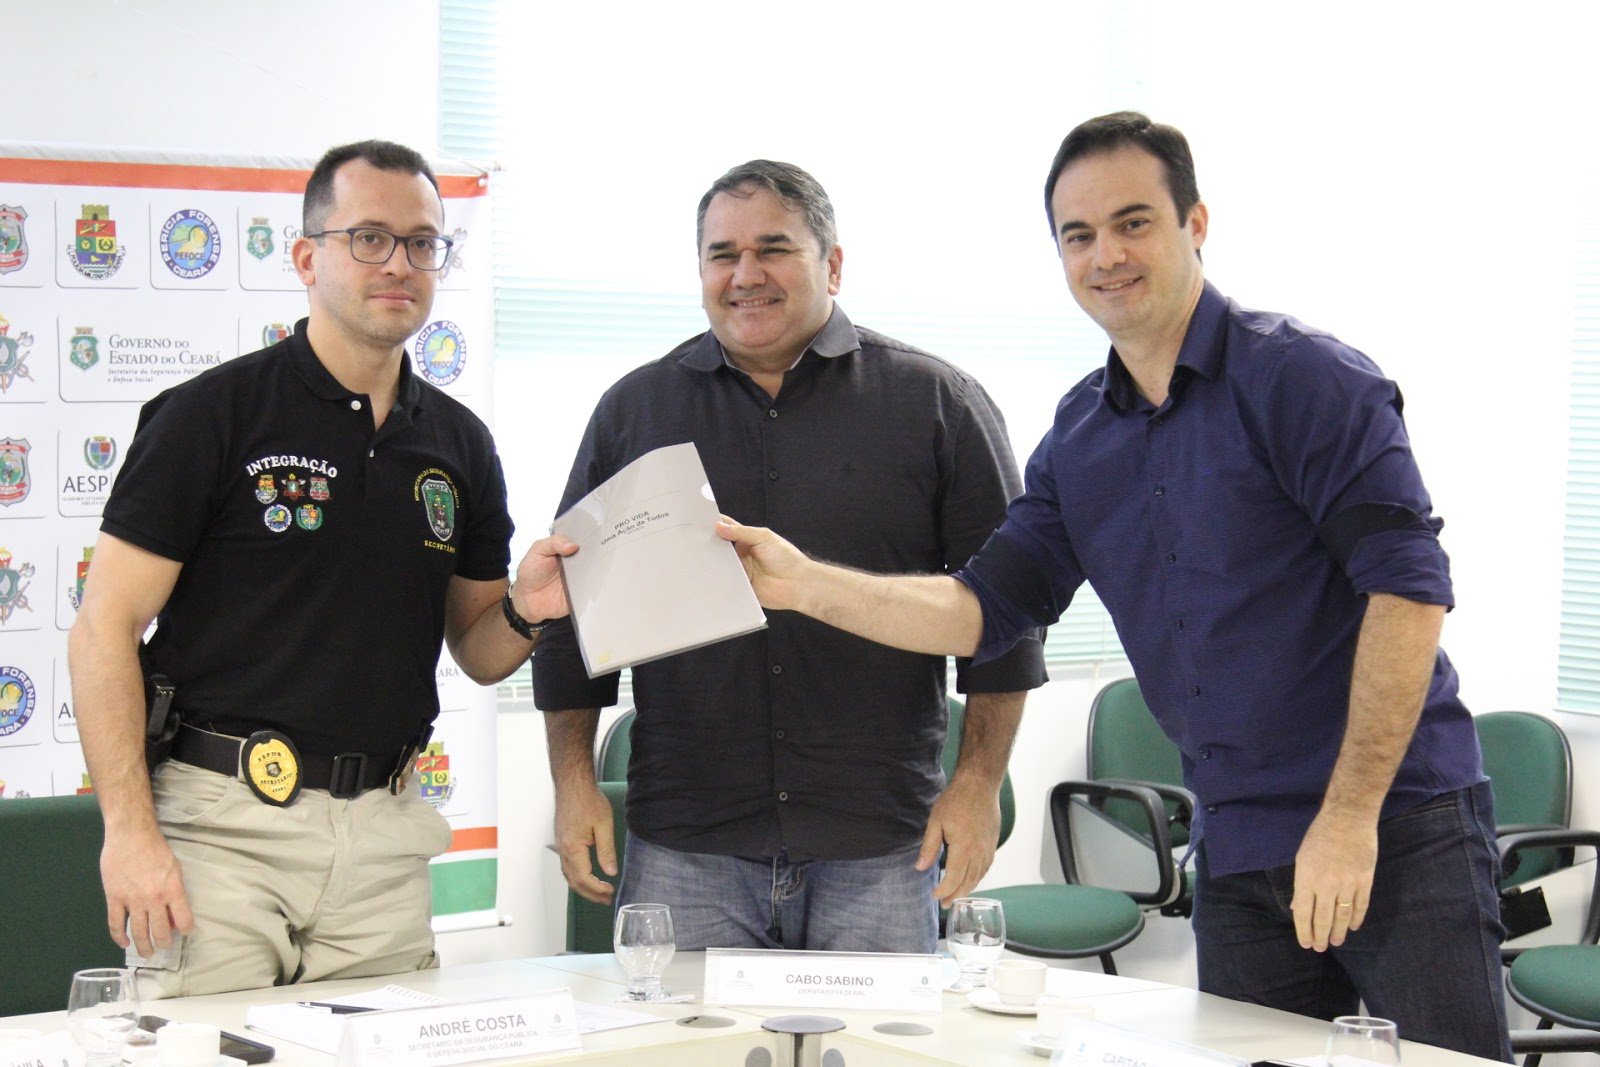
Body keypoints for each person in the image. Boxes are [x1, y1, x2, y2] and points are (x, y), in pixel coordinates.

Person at [718, 114, 1511, 1060]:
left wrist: (1346, 819)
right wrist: (805, 585)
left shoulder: (1306, 379)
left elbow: (1409, 589)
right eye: (1078, 235)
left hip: (1393, 825)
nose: (1106, 255)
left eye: (1133, 223)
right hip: (1239, 849)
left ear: (1196, 224)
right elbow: (980, 607)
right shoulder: (1083, 437)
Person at [68, 139, 575, 999]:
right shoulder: (211, 415)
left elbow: (481, 649)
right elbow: (102, 628)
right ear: (307, 256)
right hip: (220, 830)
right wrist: (130, 831)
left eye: (423, 242)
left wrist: (528, 610)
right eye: (369, 237)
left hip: (383, 836)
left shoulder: (458, 444)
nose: (400, 263)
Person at [534, 160, 1045, 953]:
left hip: (878, 842)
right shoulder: (635, 412)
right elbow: (571, 619)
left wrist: (976, 783)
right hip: (689, 842)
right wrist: (571, 784)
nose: (745, 276)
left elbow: (1005, 625)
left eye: (773, 248)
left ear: (833, 264)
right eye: (721, 254)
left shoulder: (936, 404)